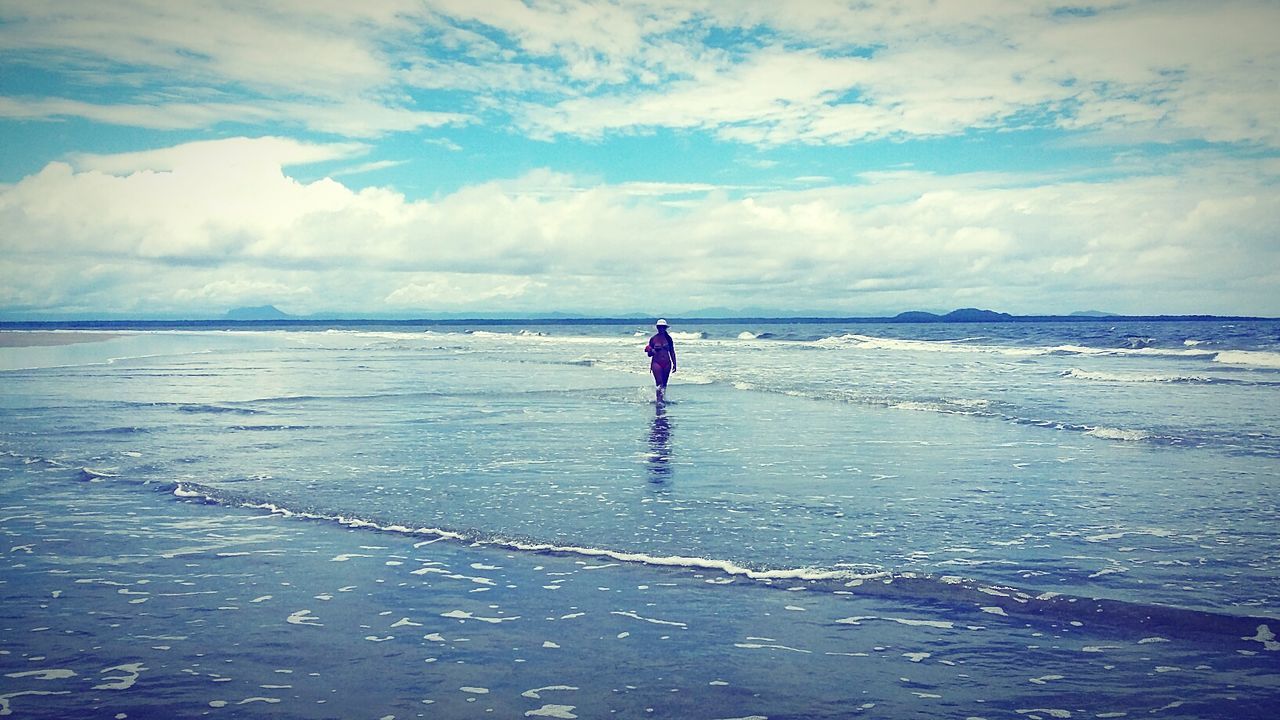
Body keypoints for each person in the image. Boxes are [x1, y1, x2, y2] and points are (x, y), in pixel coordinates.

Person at [645, 319, 677, 402]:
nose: (661, 329)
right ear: (657, 328)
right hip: (656, 362)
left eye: (663, 327)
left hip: (667, 363)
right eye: (660, 327)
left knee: (664, 383)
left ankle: (662, 399)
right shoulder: (653, 339)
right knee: (659, 382)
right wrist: (651, 351)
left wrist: (674, 364)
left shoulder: (669, 339)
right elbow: (649, 354)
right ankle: (659, 400)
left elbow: (672, 351)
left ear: (665, 328)